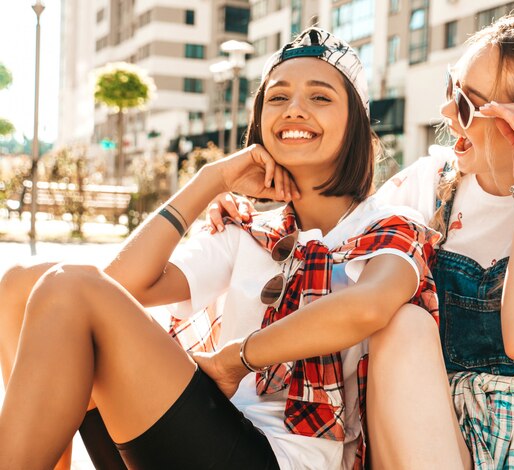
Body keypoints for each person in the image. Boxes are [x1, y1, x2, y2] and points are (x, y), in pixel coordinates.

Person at [0, 28, 467, 469]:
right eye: (278, 97)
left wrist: (235, 359)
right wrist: (211, 180)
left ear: (356, 125)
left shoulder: (390, 227)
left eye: (320, 97)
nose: (294, 109)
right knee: (24, 284)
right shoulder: (244, 229)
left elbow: (365, 308)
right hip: (199, 431)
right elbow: (120, 288)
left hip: (285, 455)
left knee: (69, 287)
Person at [208, 13, 514, 469]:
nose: (446, 114)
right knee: (403, 321)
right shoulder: (429, 185)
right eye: (451, 89)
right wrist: (253, 216)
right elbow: (337, 239)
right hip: (425, 422)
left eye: (465, 104)